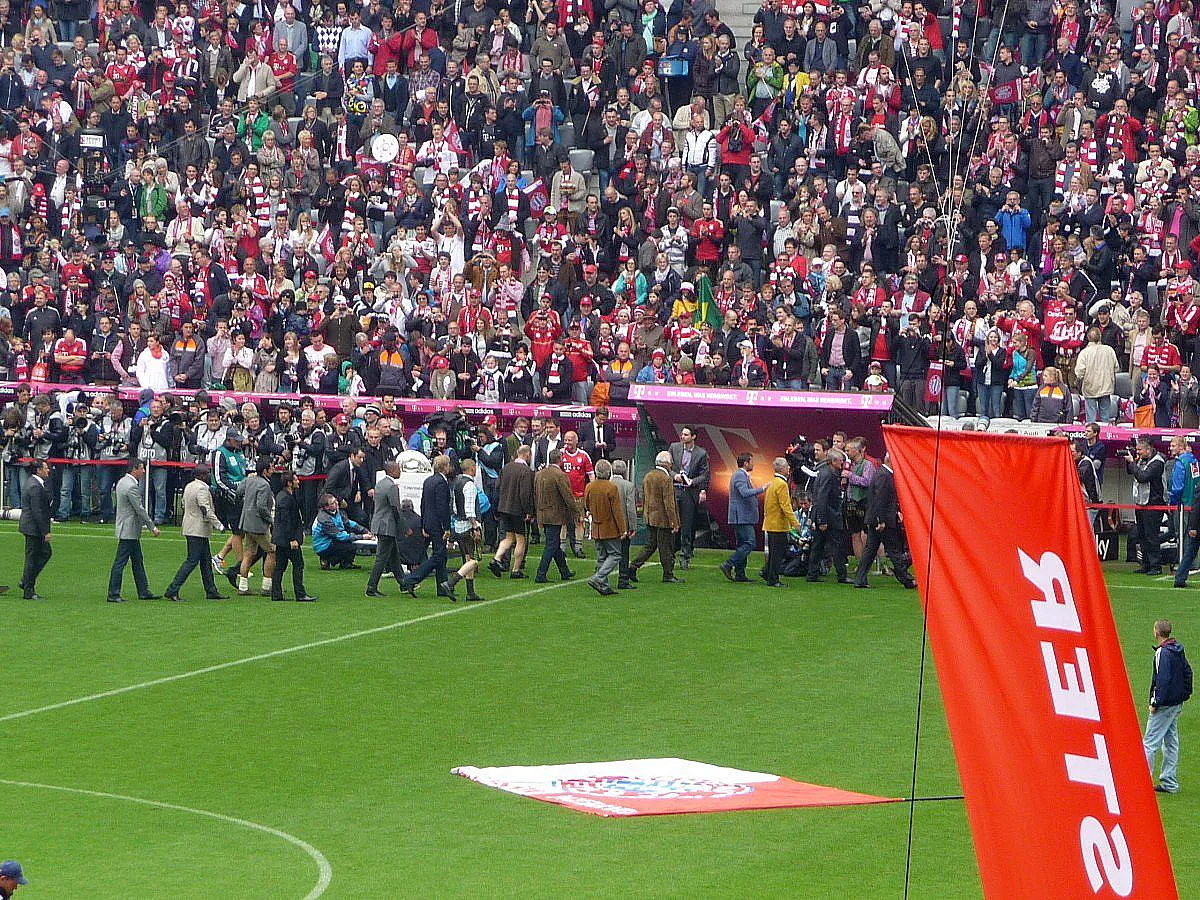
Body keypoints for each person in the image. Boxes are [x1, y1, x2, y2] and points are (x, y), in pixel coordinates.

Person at [164, 463, 228, 602]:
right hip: (198, 529)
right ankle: (172, 589)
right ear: (202, 475)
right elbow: (206, 509)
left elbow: (183, 504)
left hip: (190, 527)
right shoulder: (202, 489)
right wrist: (219, 525)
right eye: (207, 473)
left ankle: (211, 590)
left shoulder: (189, 486)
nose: (209, 475)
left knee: (205, 561)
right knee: (192, 561)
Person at [852, 453, 916, 589]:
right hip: (883, 520)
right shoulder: (884, 476)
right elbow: (880, 499)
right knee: (893, 550)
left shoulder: (882, 474)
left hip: (878, 519)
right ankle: (906, 579)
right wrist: (881, 520)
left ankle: (860, 579)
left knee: (870, 550)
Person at [1144, 619, 1192, 794]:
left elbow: (1162, 680)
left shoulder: (1162, 653)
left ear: (1156, 632)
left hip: (1164, 705)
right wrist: (1185, 694)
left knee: (1149, 742)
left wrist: (1155, 702)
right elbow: (1188, 672)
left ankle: (1143, 781)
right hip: (1176, 703)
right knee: (1171, 742)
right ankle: (1169, 782)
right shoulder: (1178, 649)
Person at [107, 459, 162, 602]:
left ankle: (143, 590)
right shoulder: (131, 486)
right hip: (129, 529)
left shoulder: (122, 482)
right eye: (142, 468)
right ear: (134, 469)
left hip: (127, 528)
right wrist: (152, 527)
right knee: (121, 562)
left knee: (137, 561)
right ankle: (113, 593)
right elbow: (139, 509)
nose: (143, 471)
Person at [401, 455, 454, 597]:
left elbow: (423, 503)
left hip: (429, 523)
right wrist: (447, 527)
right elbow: (442, 507)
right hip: (438, 525)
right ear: (445, 466)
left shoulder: (429, 481)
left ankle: (443, 587)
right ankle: (412, 579)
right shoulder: (441, 483)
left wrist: (424, 524)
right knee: (438, 556)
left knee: (441, 556)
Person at [628, 451, 682, 584]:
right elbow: (669, 503)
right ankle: (668, 574)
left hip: (650, 516)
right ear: (668, 463)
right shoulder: (666, 479)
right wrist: (674, 522)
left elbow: (644, 497)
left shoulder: (648, 476)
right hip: (663, 519)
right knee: (665, 547)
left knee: (650, 545)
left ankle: (633, 566)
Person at [489, 445, 536, 579]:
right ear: (527, 455)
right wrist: (528, 511)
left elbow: (497, 488)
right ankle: (515, 570)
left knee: (509, 537)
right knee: (521, 539)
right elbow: (525, 493)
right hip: (517, 510)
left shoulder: (506, 468)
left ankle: (497, 558)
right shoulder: (525, 471)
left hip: (504, 508)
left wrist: (497, 507)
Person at [232, 456, 277, 596]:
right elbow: (262, 507)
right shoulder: (264, 485)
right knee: (272, 551)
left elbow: (238, 492)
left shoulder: (249, 480)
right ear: (265, 470)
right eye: (271, 467)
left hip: (246, 522)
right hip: (258, 525)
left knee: (249, 553)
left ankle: (243, 587)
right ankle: (267, 586)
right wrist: (271, 520)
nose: (273, 469)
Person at [669, 425, 710, 570]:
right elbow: (667, 468)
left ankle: (685, 556)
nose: (683, 437)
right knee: (674, 524)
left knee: (687, 525)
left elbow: (705, 474)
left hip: (689, 491)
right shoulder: (674, 448)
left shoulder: (701, 453)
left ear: (693, 437)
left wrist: (695, 483)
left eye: (686, 435)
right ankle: (670, 555)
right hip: (675, 489)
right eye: (682, 434)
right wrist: (675, 476)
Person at [444, 458, 486, 601]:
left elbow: (454, 506)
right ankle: (451, 582)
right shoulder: (469, 485)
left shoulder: (456, 484)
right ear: (472, 469)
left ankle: (470, 592)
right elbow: (469, 510)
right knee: (474, 560)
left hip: (459, 524)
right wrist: (475, 526)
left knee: (468, 559)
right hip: (468, 527)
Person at [533, 450, 577, 583]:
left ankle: (564, 571)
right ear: (560, 459)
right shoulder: (560, 475)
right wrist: (576, 511)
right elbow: (567, 496)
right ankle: (541, 574)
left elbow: (535, 494)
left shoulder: (539, 474)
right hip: (555, 515)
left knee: (555, 544)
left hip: (542, 513)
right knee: (551, 544)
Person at [271, 470, 316, 602]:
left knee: (280, 565)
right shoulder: (285, 497)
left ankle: (276, 594)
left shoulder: (284, 495)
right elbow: (286, 521)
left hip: (282, 538)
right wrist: (292, 539)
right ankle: (300, 593)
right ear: (289, 483)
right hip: (287, 539)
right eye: (295, 480)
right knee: (298, 564)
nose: (298, 481)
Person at [366, 460, 409, 596]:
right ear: (392, 471)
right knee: (381, 558)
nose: (400, 471)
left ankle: (403, 584)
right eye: (398, 469)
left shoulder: (380, 484)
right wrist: (403, 528)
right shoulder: (391, 487)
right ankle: (371, 587)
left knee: (394, 557)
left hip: (380, 523)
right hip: (387, 526)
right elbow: (396, 508)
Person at [584, 459, 626, 595]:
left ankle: (604, 585)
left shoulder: (590, 486)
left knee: (602, 557)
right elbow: (617, 511)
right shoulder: (611, 487)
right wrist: (622, 529)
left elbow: (586, 505)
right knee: (615, 554)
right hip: (610, 528)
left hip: (596, 527)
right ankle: (599, 578)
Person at [721, 452, 764, 582]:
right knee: (750, 543)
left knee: (742, 544)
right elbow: (744, 493)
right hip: (742, 517)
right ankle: (728, 564)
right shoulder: (740, 475)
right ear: (745, 463)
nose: (753, 464)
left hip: (742, 516)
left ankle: (740, 574)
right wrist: (762, 488)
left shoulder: (741, 475)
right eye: (751, 461)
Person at [807, 447, 848, 583]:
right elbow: (822, 497)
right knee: (836, 546)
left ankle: (812, 574)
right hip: (829, 516)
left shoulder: (824, 472)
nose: (842, 465)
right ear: (833, 461)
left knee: (818, 546)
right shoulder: (828, 475)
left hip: (823, 514)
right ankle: (841, 575)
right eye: (841, 462)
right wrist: (823, 520)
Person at [1128, 437, 1167, 577]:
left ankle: (1156, 565)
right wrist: (1132, 462)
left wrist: (1132, 463)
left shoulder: (1157, 462)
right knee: (1142, 534)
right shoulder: (1141, 459)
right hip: (1141, 502)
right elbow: (1131, 472)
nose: (1137, 452)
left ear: (1148, 449)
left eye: (1139, 450)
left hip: (1154, 503)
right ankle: (1146, 564)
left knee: (1151, 535)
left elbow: (1143, 476)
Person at [761, 457, 800, 588]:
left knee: (774, 552)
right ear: (783, 469)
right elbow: (786, 506)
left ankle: (767, 572)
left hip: (770, 523)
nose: (789, 469)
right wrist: (795, 523)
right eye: (787, 467)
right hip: (778, 525)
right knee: (778, 553)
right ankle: (773, 579)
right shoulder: (782, 484)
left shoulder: (772, 482)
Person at [19, 459, 53, 600]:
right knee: (33, 558)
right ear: (39, 470)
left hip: (32, 526)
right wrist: (45, 531)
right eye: (46, 468)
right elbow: (37, 511)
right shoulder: (35, 486)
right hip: (33, 528)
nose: (48, 470)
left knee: (44, 553)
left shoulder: (34, 483)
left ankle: (27, 581)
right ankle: (28, 589)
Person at [313, 492, 370, 569]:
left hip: (331, 540)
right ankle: (328, 559)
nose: (336, 503)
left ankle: (345, 562)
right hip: (324, 545)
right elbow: (340, 536)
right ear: (326, 507)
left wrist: (364, 530)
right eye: (333, 503)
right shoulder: (325, 519)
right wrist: (362, 537)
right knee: (351, 545)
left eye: (336, 501)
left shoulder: (336, 512)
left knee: (350, 539)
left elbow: (349, 522)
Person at [611, 459, 638, 590]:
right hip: (623, 525)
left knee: (605, 553)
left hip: (608, 525)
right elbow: (630, 508)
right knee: (624, 553)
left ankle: (600, 577)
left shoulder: (607, 484)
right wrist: (633, 526)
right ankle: (623, 579)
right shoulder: (628, 486)